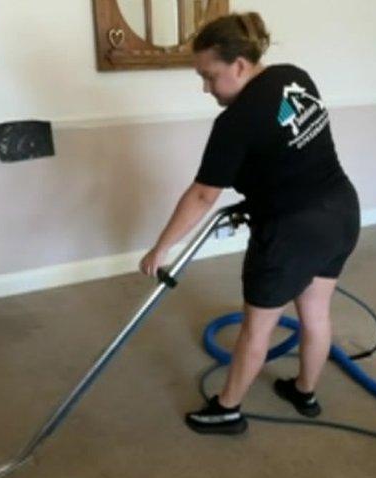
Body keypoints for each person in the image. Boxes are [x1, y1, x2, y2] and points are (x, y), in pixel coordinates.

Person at [139, 12, 360, 435]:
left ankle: (227, 409)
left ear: (239, 65)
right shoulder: (294, 76)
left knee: (255, 330)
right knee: (315, 314)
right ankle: (304, 392)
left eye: (210, 76)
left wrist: (160, 248)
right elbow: (284, 148)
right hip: (342, 213)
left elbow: (204, 194)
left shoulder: (235, 122)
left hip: (291, 230)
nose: (205, 88)